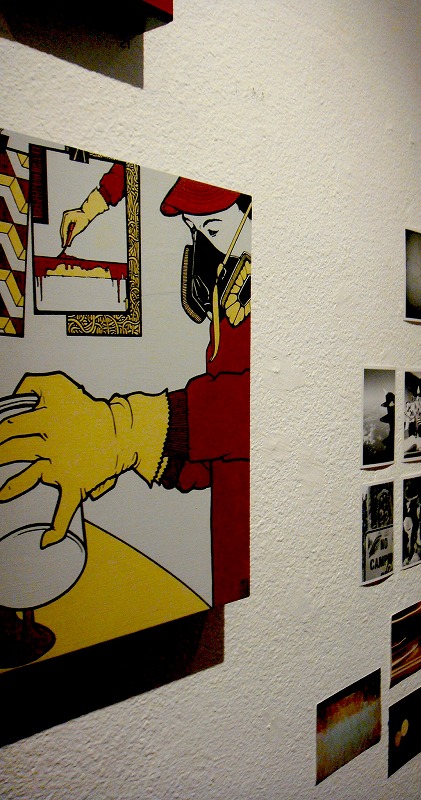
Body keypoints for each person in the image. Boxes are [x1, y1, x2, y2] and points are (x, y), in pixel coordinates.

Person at [0, 170, 251, 606]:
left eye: (212, 230)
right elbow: (225, 454)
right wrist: (142, 455)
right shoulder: (228, 313)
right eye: (194, 231)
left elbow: (246, 409)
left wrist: (125, 429)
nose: (203, 247)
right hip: (232, 562)